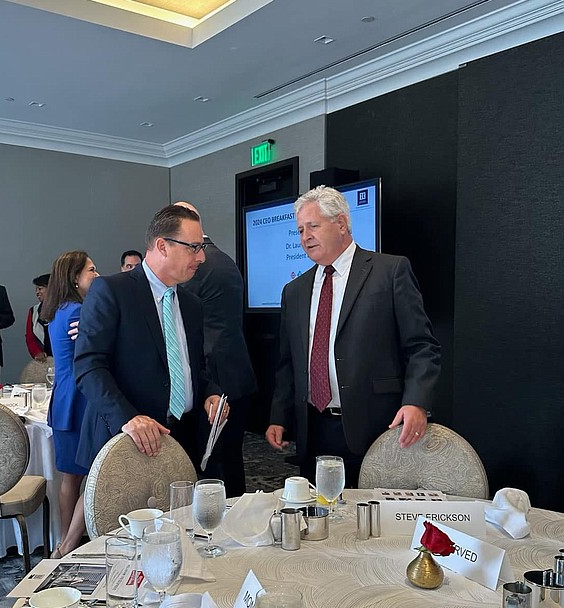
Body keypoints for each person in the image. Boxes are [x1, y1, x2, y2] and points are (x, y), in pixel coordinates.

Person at [266, 186, 441, 486]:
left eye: (313, 226)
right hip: (313, 428)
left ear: (341, 224)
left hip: (374, 426)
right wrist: (279, 417)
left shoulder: (389, 271)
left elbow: (421, 346)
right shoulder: (294, 291)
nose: (305, 237)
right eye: (300, 230)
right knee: (319, 509)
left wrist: (417, 402)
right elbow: (288, 363)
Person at [75, 204, 226, 471]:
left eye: (201, 247)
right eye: (194, 247)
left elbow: (194, 367)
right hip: (127, 441)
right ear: (162, 246)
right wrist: (128, 418)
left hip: (183, 437)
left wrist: (210, 392)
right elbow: (89, 366)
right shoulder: (113, 291)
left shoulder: (191, 304)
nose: (201, 257)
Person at [178, 201, 257, 497]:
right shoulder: (225, 260)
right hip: (238, 371)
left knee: (213, 465)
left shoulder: (195, 266)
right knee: (232, 459)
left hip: (214, 376)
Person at [42, 251, 99, 557]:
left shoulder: (57, 310)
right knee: (94, 475)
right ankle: (68, 546)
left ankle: (64, 541)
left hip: (64, 397)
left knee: (70, 477)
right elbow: (92, 356)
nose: (97, 275)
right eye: (91, 270)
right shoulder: (78, 311)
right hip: (81, 400)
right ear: (75, 277)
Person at [25, 273, 52, 361]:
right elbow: (30, 337)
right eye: (36, 289)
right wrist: (36, 352)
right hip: (45, 361)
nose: (37, 292)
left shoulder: (64, 309)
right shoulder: (33, 311)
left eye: (40, 289)